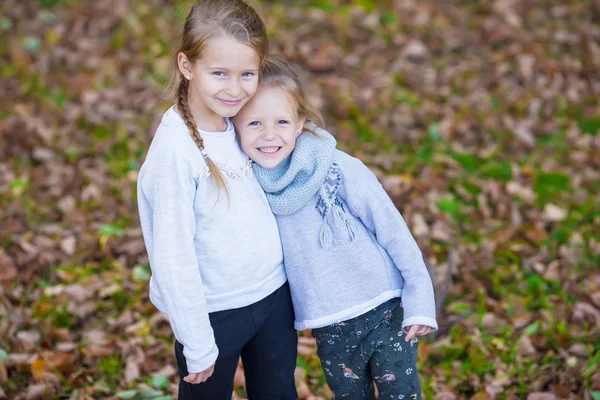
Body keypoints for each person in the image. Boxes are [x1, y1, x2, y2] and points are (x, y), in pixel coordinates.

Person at [234, 55, 438, 400]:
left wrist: (419, 296)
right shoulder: (246, 184)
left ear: (300, 123)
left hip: (384, 308)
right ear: (235, 125)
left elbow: (391, 228)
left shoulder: (336, 167)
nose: (269, 135)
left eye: (281, 121)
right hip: (329, 323)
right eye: (254, 123)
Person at [136, 3, 297, 399]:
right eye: (219, 74)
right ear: (187, 66)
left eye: (247, 74)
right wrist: (196, 340)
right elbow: (173, 256)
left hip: (273, 296)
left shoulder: (242, 122)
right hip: (214, 314)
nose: (235, 88)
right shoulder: (176, 152)